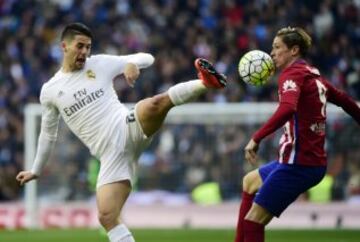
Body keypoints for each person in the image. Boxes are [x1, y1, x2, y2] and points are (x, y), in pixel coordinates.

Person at [16, 22, 227, 242]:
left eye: (88, 47)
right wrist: (36, 169)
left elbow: (148, 58)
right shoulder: (50, 91)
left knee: (154, 104)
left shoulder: (98, 63)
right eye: (80, 46)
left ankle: (206, 82)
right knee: (107, 216)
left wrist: (131, 63)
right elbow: (48, 133)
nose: (85, 52)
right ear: (64, 46)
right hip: (110, 156)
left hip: (126, 127)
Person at [234, 26, 360, 242]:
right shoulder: (312, 75)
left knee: (253, 220)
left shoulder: (291, 74)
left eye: (277, 47)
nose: (272, 53)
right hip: (302, 161)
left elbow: (287, 108)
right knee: (249, 182)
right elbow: (345, 100)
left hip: (299, 164)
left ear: (294, 50)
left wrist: (257, 137)